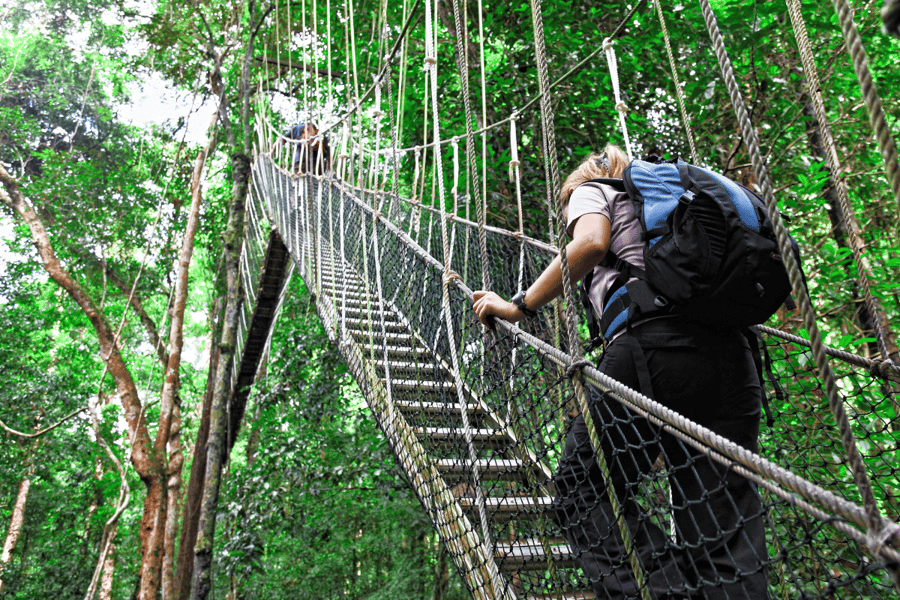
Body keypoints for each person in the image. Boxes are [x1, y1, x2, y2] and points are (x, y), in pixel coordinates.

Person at [472, 145, 770, 600]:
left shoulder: (592, 190)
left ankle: (664, 592)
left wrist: (519, 306)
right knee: (723, 524)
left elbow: (590, 243)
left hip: (651, 347)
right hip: (735, 355)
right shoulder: (675, 199)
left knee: (580, 489)